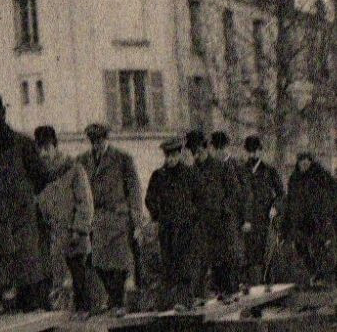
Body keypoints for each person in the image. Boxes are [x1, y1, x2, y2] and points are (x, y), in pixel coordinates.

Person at [0, 92, 50, 312]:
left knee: (28, 278)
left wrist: (24, 197)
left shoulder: (23, 144)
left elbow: (41, 177)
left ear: (2, 113)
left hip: (22, 220)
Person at [79, 123, 142, 314]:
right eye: (93, 141)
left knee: (118, 262)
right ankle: (113, 299)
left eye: (99, 140)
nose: (96, 144)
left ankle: (118, 302)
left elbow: (134, 190)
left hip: (117, 216)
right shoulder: (82, 161)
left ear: (106, 139)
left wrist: (137, 219)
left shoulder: (122, 159)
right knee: (98, 263)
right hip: (96, 218)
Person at [35, 126, 94, 314]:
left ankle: (84, 313)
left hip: (71, 232)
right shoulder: (39, 174)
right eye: (40, 149)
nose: (43, 154)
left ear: (55, 146)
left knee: (78, 276)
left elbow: (84, 201)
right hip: (50, 234)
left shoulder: (73, 168)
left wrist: (79, 229)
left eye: (47, 148)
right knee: (52, 277)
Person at [145, 136, 204, 309]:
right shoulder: (158, 176)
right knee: (169, 264)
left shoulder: (190, 174)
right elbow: (150, 199)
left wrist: (192, 216)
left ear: (179, 154)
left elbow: (201, 198)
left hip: (187, 228)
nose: (170, 159)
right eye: (167, 156)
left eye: (173, 155)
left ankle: (184, 301)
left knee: (186, 265)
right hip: (167, 228)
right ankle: (169, 303)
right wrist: (157, 215)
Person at [193, 130, 246, 298]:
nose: (197, 155)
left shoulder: (221, 167)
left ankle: (232, 293)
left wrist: (225, 209)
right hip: (205, 223)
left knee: (227, 260)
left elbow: (235, 191)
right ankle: (221, 294)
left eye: (200, 151)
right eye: (194, 152)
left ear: (206, 149)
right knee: (213, 260)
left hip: (223, 221)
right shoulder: (193, 172)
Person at [284, 152, 337, 285]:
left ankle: (321, 277)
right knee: (300, 247)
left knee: (319, 247)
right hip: (300, 221)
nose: (304, 165)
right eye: (301, 163)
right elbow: (290, 200)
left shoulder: (320, 176)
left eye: (306, 163)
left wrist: (325, 210)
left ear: (310, 163)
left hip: (317, 220)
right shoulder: (294, 179)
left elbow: (334, 192)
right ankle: (313, 274)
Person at [241, 134, 282, 286]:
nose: (252, 154)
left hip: (264, 218)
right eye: (249, 151)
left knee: (266, 254)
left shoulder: (269, 171)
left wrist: (275, 207)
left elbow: (280, 194)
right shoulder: (242, 170)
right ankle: (251, 289)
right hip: (247, 220)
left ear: (260, 151)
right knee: (249, 257)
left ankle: (268, 287)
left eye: (255, 151)